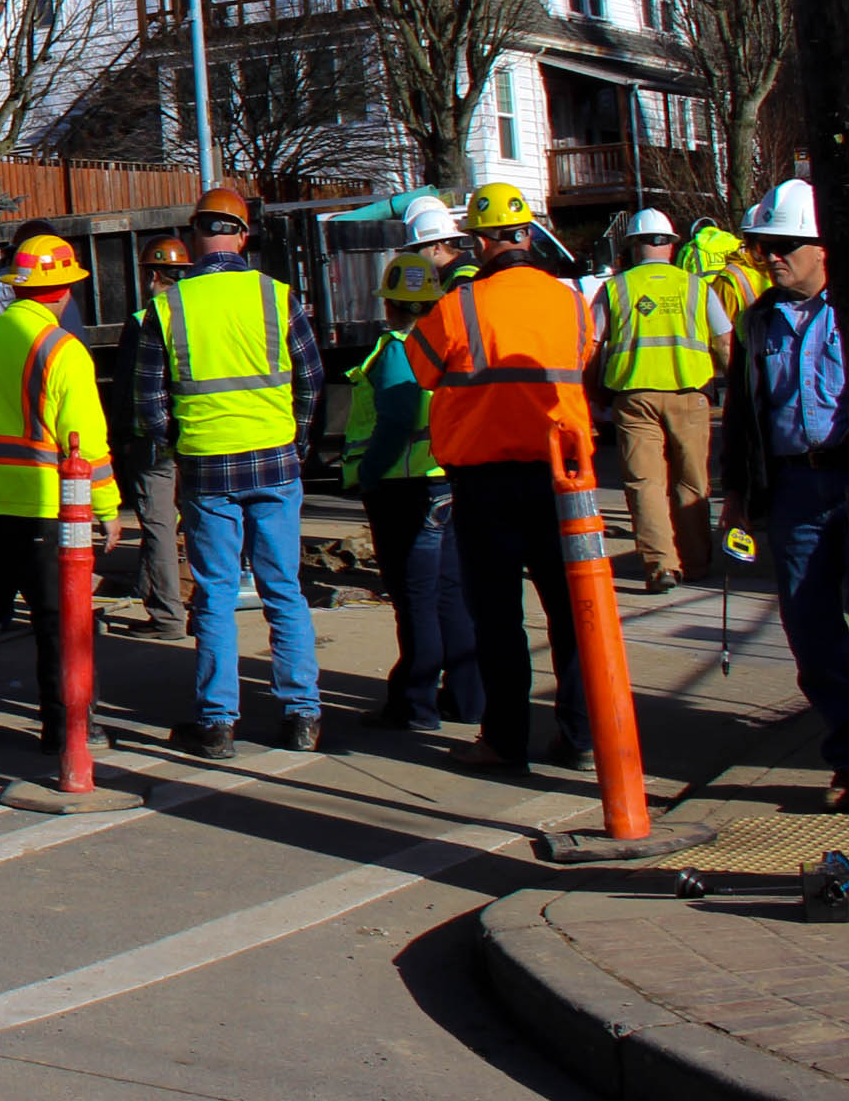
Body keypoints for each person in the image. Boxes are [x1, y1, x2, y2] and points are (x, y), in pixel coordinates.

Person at [407, 182, 597, 771]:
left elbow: (421, 369)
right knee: (571, 613)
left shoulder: (459, 306)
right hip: (561, 479)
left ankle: (505, 740)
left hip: (485, 480)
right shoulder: (570, 301)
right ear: (527, 235)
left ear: (481, 242)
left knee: (497, 617)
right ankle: (582, 736)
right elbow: (584, 358)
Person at [132, 187, 327, 760]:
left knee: (215, 594)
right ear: (243, 236)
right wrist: (296, 442)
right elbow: (312, 381)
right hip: (274, 460)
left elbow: (149, 404)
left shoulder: (168, 308)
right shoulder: (278, 296)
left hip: (208, 467)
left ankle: (218, 724)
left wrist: (180, 445)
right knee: (283, 589)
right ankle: (303, 716)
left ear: (195, 240)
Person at [0, 235, 116, 748]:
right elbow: (84, 444)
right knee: (59, 625)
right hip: (42, 509)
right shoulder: (63, 350)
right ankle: (66, 728)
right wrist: (106, 507)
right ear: (63, 291)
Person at [722, 179, 849, 813]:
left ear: (823, 247)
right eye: (764, 247)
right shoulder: (758, 321)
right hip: (792, 489)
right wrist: (737, 492)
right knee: (811, 630)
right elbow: (745, 415)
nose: (772, 257)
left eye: (785, 245)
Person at [346, 254, 480, 732]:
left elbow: (398, 419)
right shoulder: (450, 344)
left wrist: (369, 473)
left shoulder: (397, 350)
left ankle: (415, 704)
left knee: (415, 597)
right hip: (444, 479)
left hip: (404, 487)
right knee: (449, 593)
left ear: (391, 306)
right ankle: (468, 698)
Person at [594, 208, 733, 593]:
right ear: (671, 246)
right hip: (690, 395)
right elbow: (723, 341)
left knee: (646, 484)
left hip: (634, 397)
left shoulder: (615, 288)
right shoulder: (696, 286)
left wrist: (591, 391)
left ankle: (660, 566)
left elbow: (591, 345)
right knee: (692, 482)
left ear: (635, 246)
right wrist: (735, 385)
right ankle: (696, 562)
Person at [108, 235, 193, 642]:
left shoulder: (145, 318)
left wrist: (120, 435)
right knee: (197, 522)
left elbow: (128, 387)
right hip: (198, 434)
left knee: (158, 527)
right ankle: (178, 598)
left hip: (153, 440)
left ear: (154, 275)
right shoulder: (199, 315)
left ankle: (167, 617)